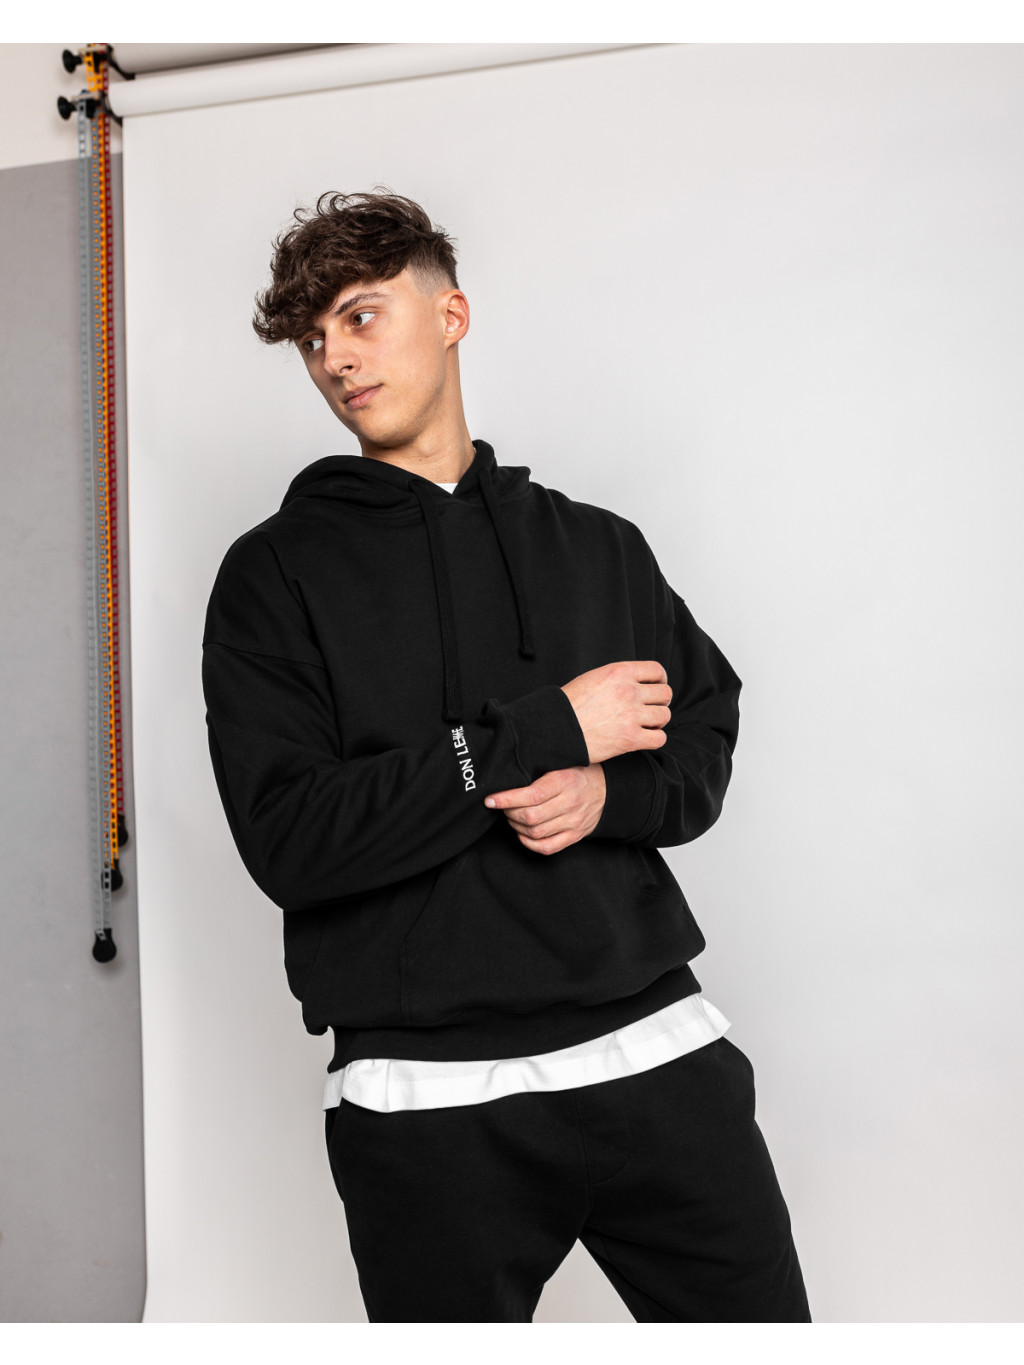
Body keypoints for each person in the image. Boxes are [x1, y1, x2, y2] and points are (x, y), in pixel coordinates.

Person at [201, 189, 810, 1324]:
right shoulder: (272, 576)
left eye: (361, 316)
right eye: (314, 340)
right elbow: (291, 840)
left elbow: (705, 729)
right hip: (426, 1103)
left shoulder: (596, 546)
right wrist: (540, 733)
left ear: (452, 315)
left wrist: (606, 793)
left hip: (655, 1052)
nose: (336, 359)